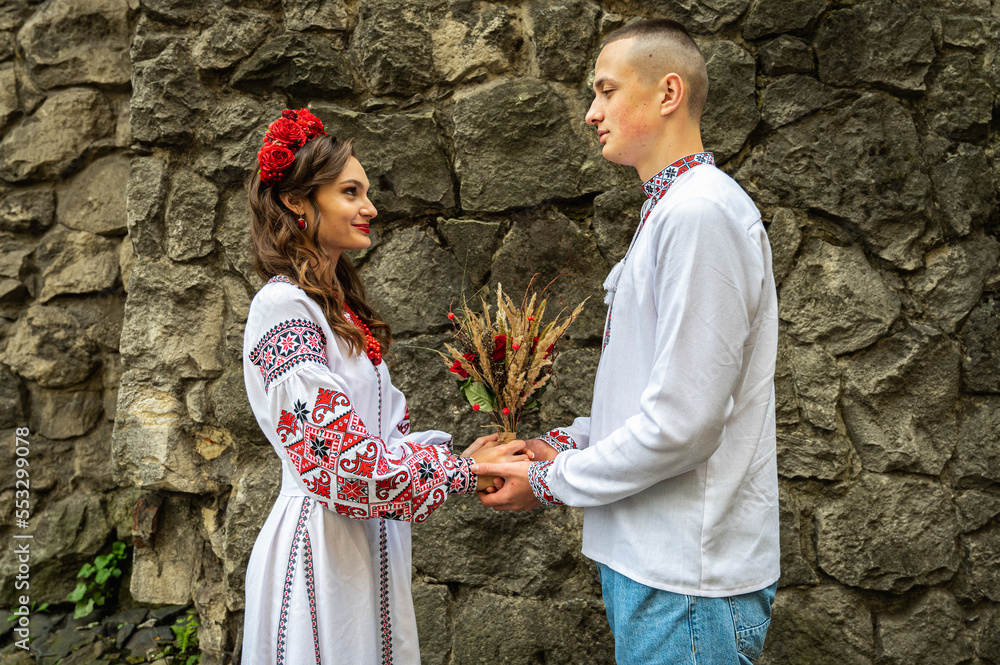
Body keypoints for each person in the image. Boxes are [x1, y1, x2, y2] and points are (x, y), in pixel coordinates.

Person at [473, 19, 780, 665]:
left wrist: (550, 479)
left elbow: (684, 424)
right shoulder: (672, 211)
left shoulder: (701, 214)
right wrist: (565, 443)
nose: (591, 112)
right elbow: (655, 396)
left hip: (684, 580)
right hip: (652, 568)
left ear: (668, 92)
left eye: (606, 90)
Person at [240, 108, 527, 665]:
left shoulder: (335, 310)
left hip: (367, 545)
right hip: (320, 554)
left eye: (367, 192)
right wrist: (462, 474)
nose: (370, 207)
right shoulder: (281, 308)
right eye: (351, 192)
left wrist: (460, 459)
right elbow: (336, 465)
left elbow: (377, 446)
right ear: (298, 201)